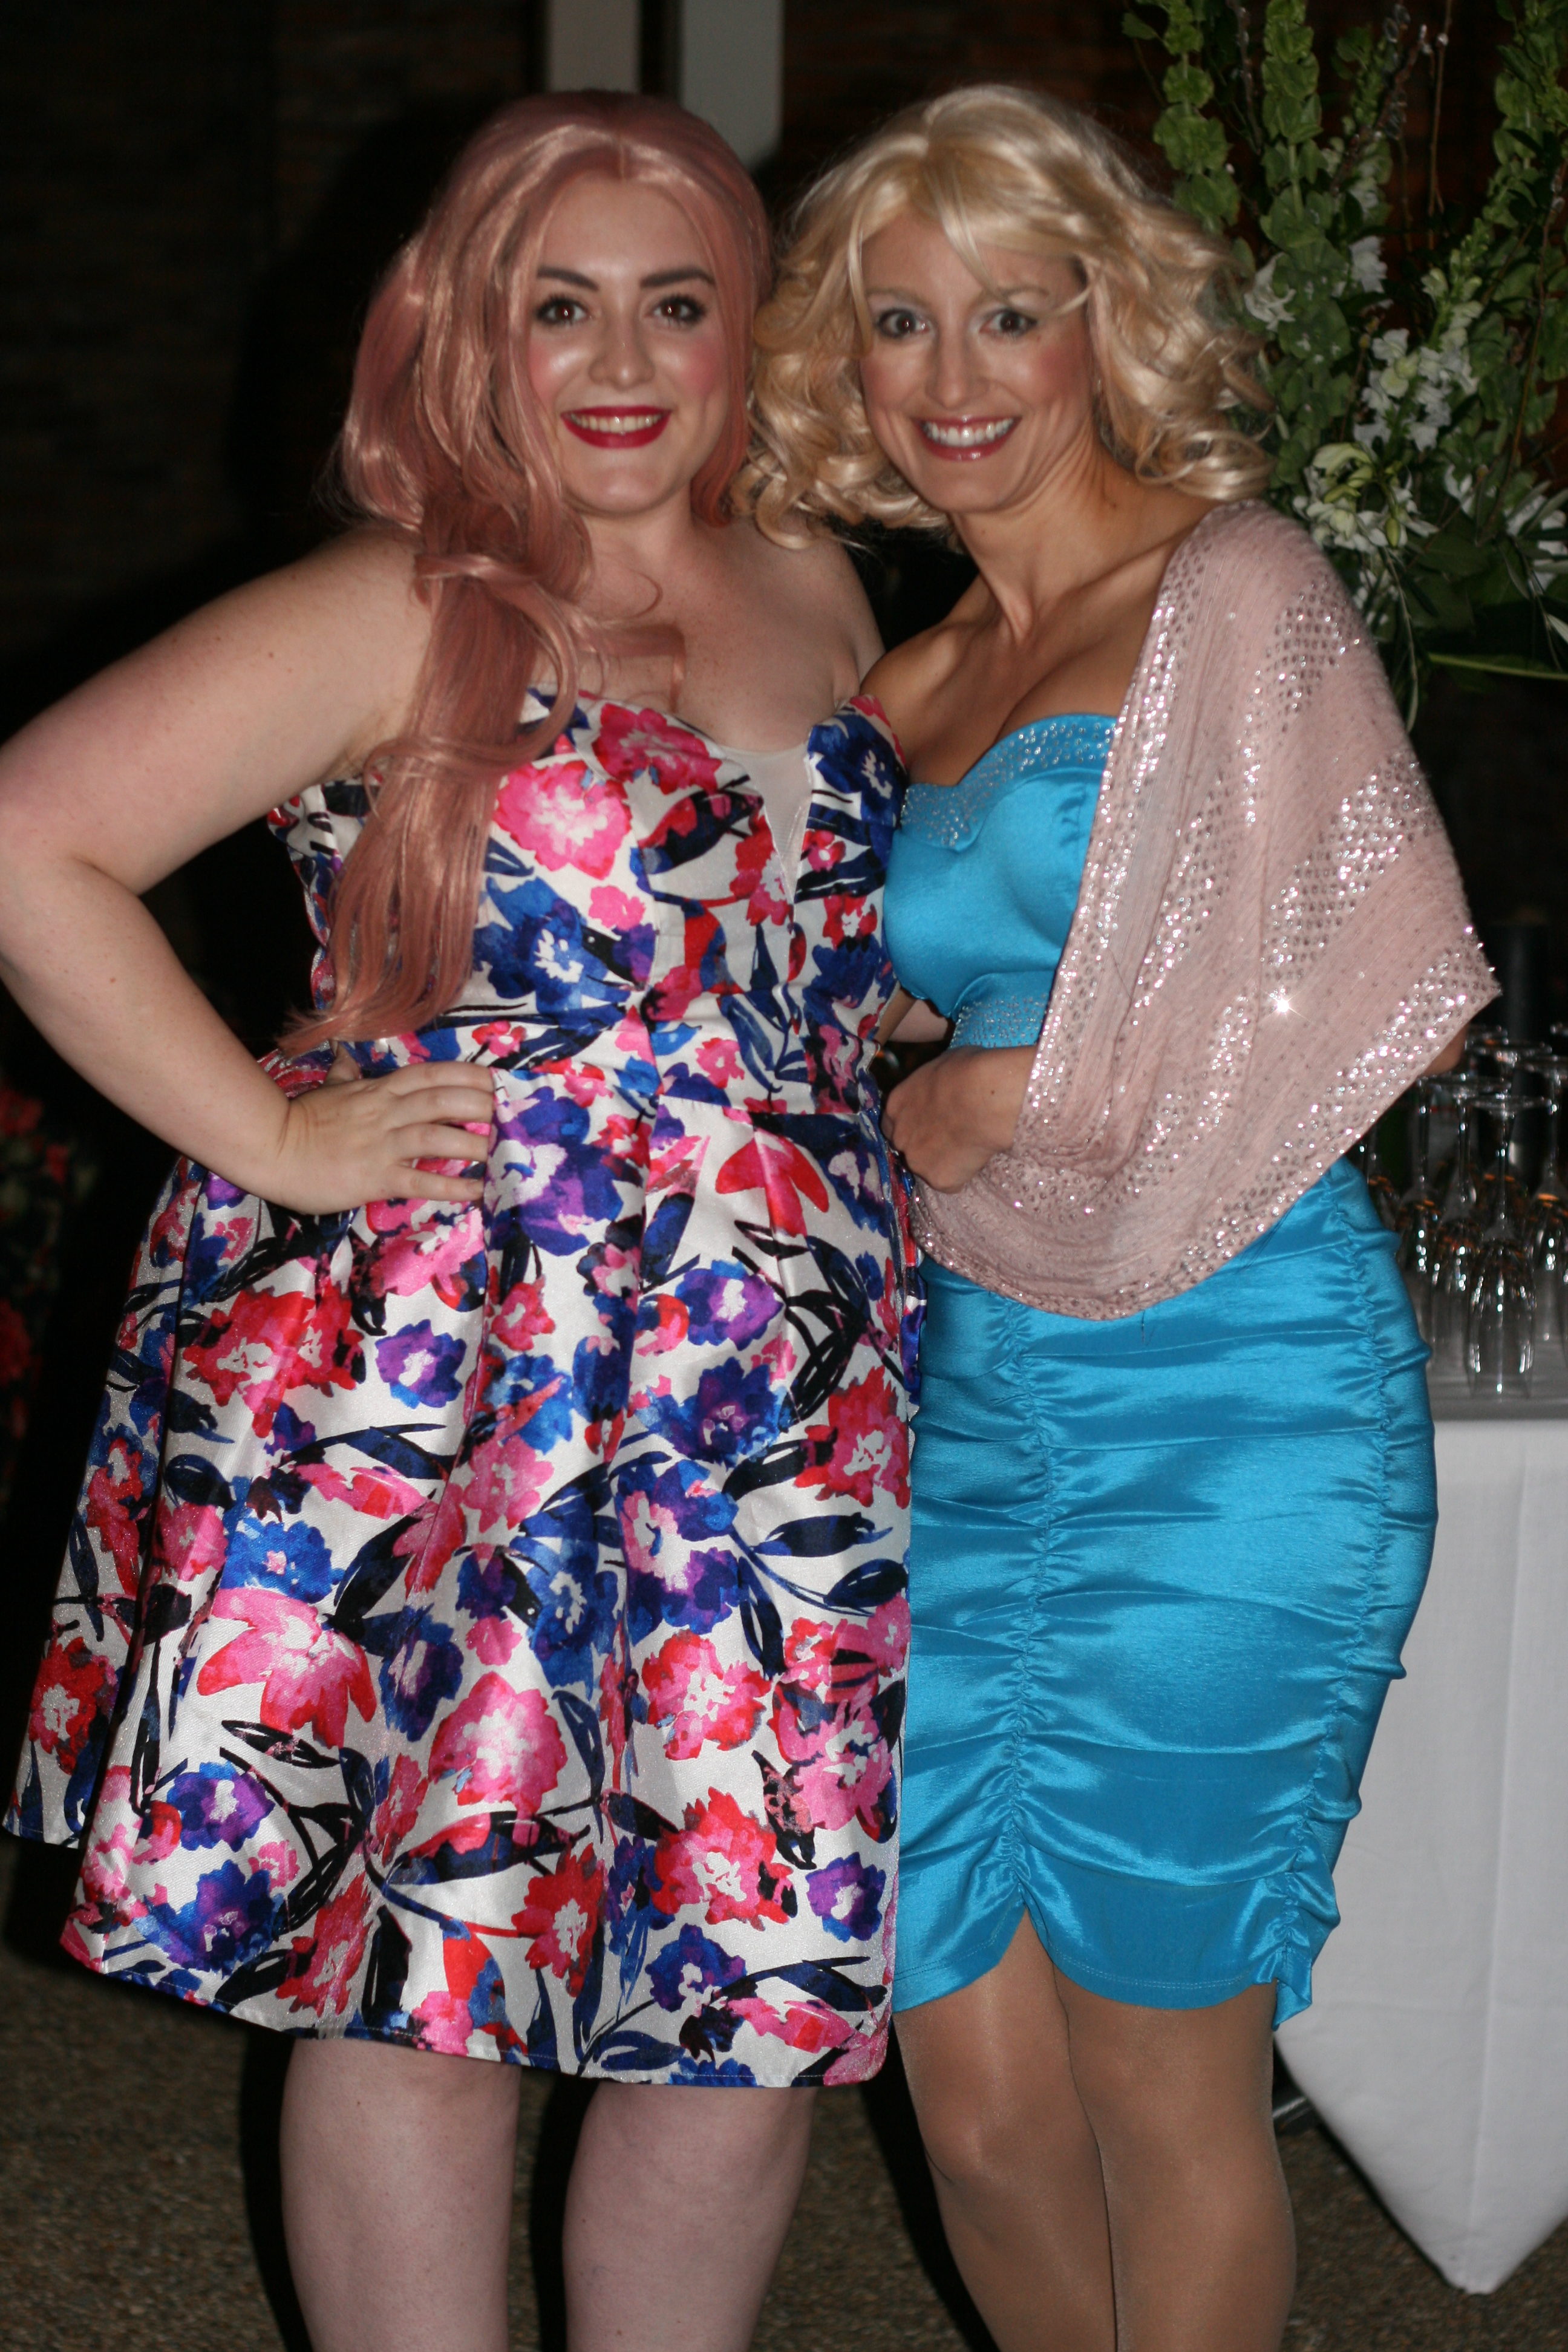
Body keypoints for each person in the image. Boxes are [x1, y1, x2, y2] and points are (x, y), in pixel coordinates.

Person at [1, 93, 916, 2352]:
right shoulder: (403, 600)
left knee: (760, 1966)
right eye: (555, 305)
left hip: (778, 1389)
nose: (619, 361)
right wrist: (274, 1135)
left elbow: (802, 939)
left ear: (748, 329)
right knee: (418, 1962)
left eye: (673, 303)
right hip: (452, 1368)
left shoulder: (818, 580)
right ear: (465, 331)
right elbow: (30, 840)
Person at [746, 84, 1494, 2352]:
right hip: (964, 1413)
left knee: (1164, 2076)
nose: (955, 378)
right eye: (901, 323)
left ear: (1105, 324)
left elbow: (1395, 988)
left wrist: (1013, 1090)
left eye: (1013, 314)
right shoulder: (902, 685)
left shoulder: (1231, 588)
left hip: (1239, 1393)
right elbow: (807, 1021)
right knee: (967, 2089)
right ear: (845, 361)